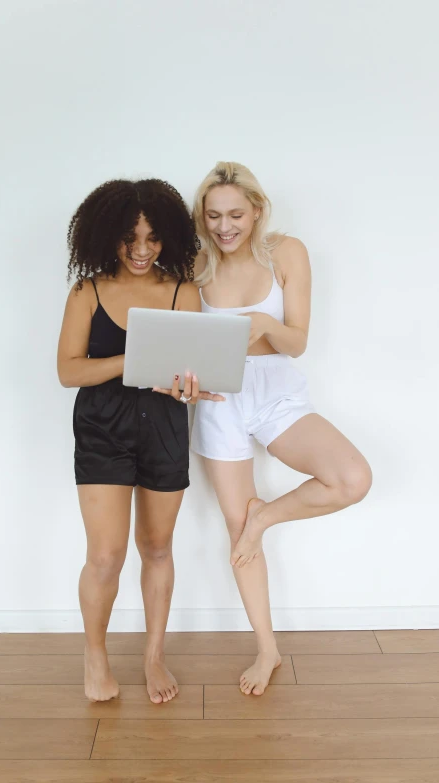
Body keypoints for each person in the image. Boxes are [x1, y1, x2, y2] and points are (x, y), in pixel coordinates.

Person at [190, 161, 373, 696]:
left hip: (276, 391)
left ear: (258, 211)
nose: (226, 227)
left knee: (351, 479)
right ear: (203, 217)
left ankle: (264, 518)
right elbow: (179, 340)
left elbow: (297, 342)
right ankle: (267, 649)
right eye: (215, 215)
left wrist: (268, 325)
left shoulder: (286, 252)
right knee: (233, 523)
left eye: (236, 215)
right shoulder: (195, 263)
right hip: (218, 399)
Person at [57, 178, 222, 704]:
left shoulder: (182, 291)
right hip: (103, 425)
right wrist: (133, 363)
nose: (143, 249)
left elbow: (189, 374)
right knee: (105, 556)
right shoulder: (86, 291)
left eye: (153, 238)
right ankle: (95, 655)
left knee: (155, 547)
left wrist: (191, 387)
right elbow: (68, 371)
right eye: (130, 238)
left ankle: (154, 656)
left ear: (169, 237)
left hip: (164, 423)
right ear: (107, 236)